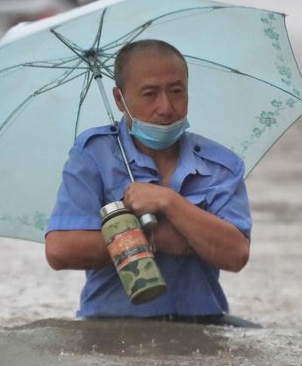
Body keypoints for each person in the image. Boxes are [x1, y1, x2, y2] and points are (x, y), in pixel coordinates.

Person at [45, 39, 252, 323]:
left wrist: (169, 202)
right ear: (120, 99)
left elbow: (236, 254)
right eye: (150, 94)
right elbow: (60, 249)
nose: (166, 107)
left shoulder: (221, 165)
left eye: (177, 91)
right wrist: (156, 238)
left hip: (202, 326)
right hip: (112, 327)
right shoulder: (94, 156)